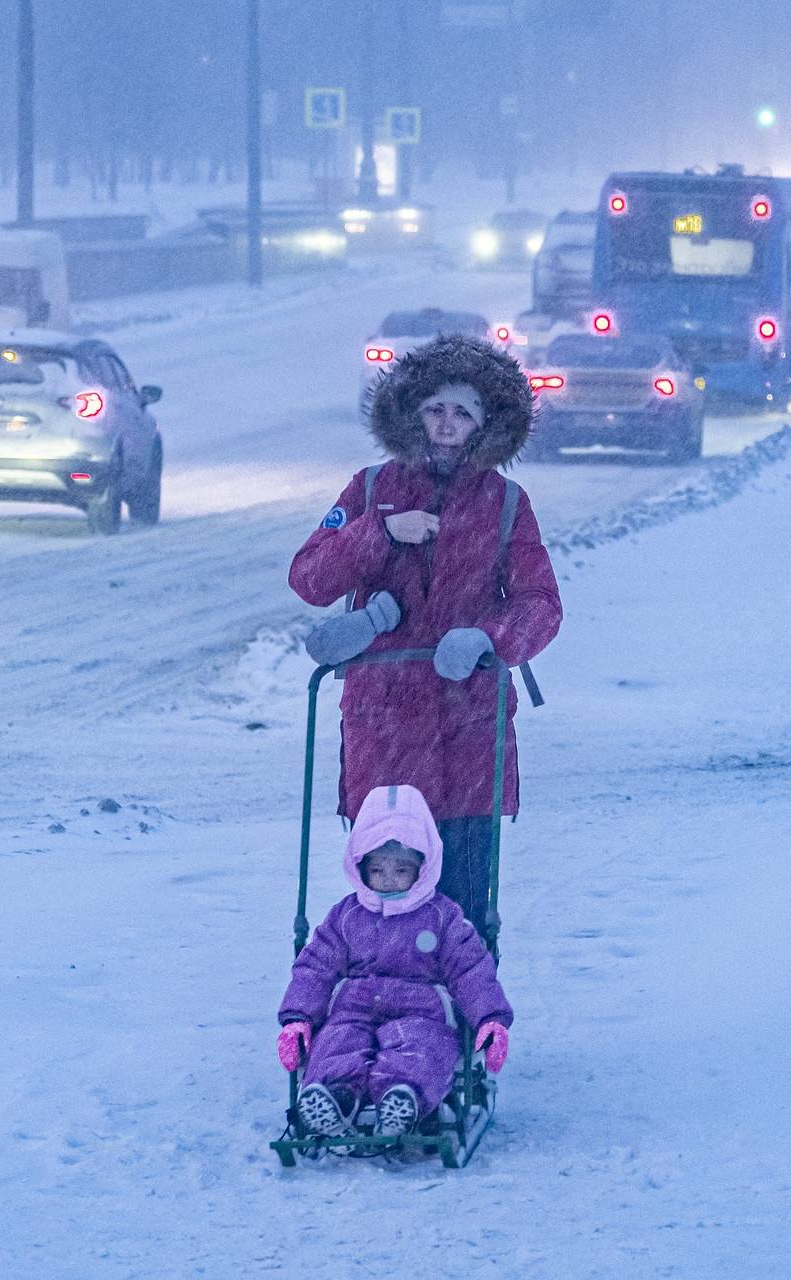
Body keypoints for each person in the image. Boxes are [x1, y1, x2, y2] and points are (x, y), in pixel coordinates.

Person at [288, 334, 562, 937]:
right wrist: (379, 534)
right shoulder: (367, 491)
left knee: (463, 903)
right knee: (381, 892)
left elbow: (541, 605)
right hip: (382, 730)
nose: (446, 423)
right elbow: (308, 577)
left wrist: (488, 639)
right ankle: (372, 1012)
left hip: (469, 731)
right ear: (412, 412)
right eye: (435, 408)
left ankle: (467, 1019)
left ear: (486, 424)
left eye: (462, 412)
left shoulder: (508, 504)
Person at [276, 784, 513, 1139]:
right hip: (352, 1009)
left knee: (419, 1049)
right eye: (378, 870)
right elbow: (315, 968)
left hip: (421, 1011)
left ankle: (400, 1098)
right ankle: (334, 1096)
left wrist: (489, 1020)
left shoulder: (442, 917)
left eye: (401, 870)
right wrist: (299, 1018)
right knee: (337, 1041)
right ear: (361, 867)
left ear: (422, 868)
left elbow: (471, 971)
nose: (389, 880)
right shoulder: (345, 916)